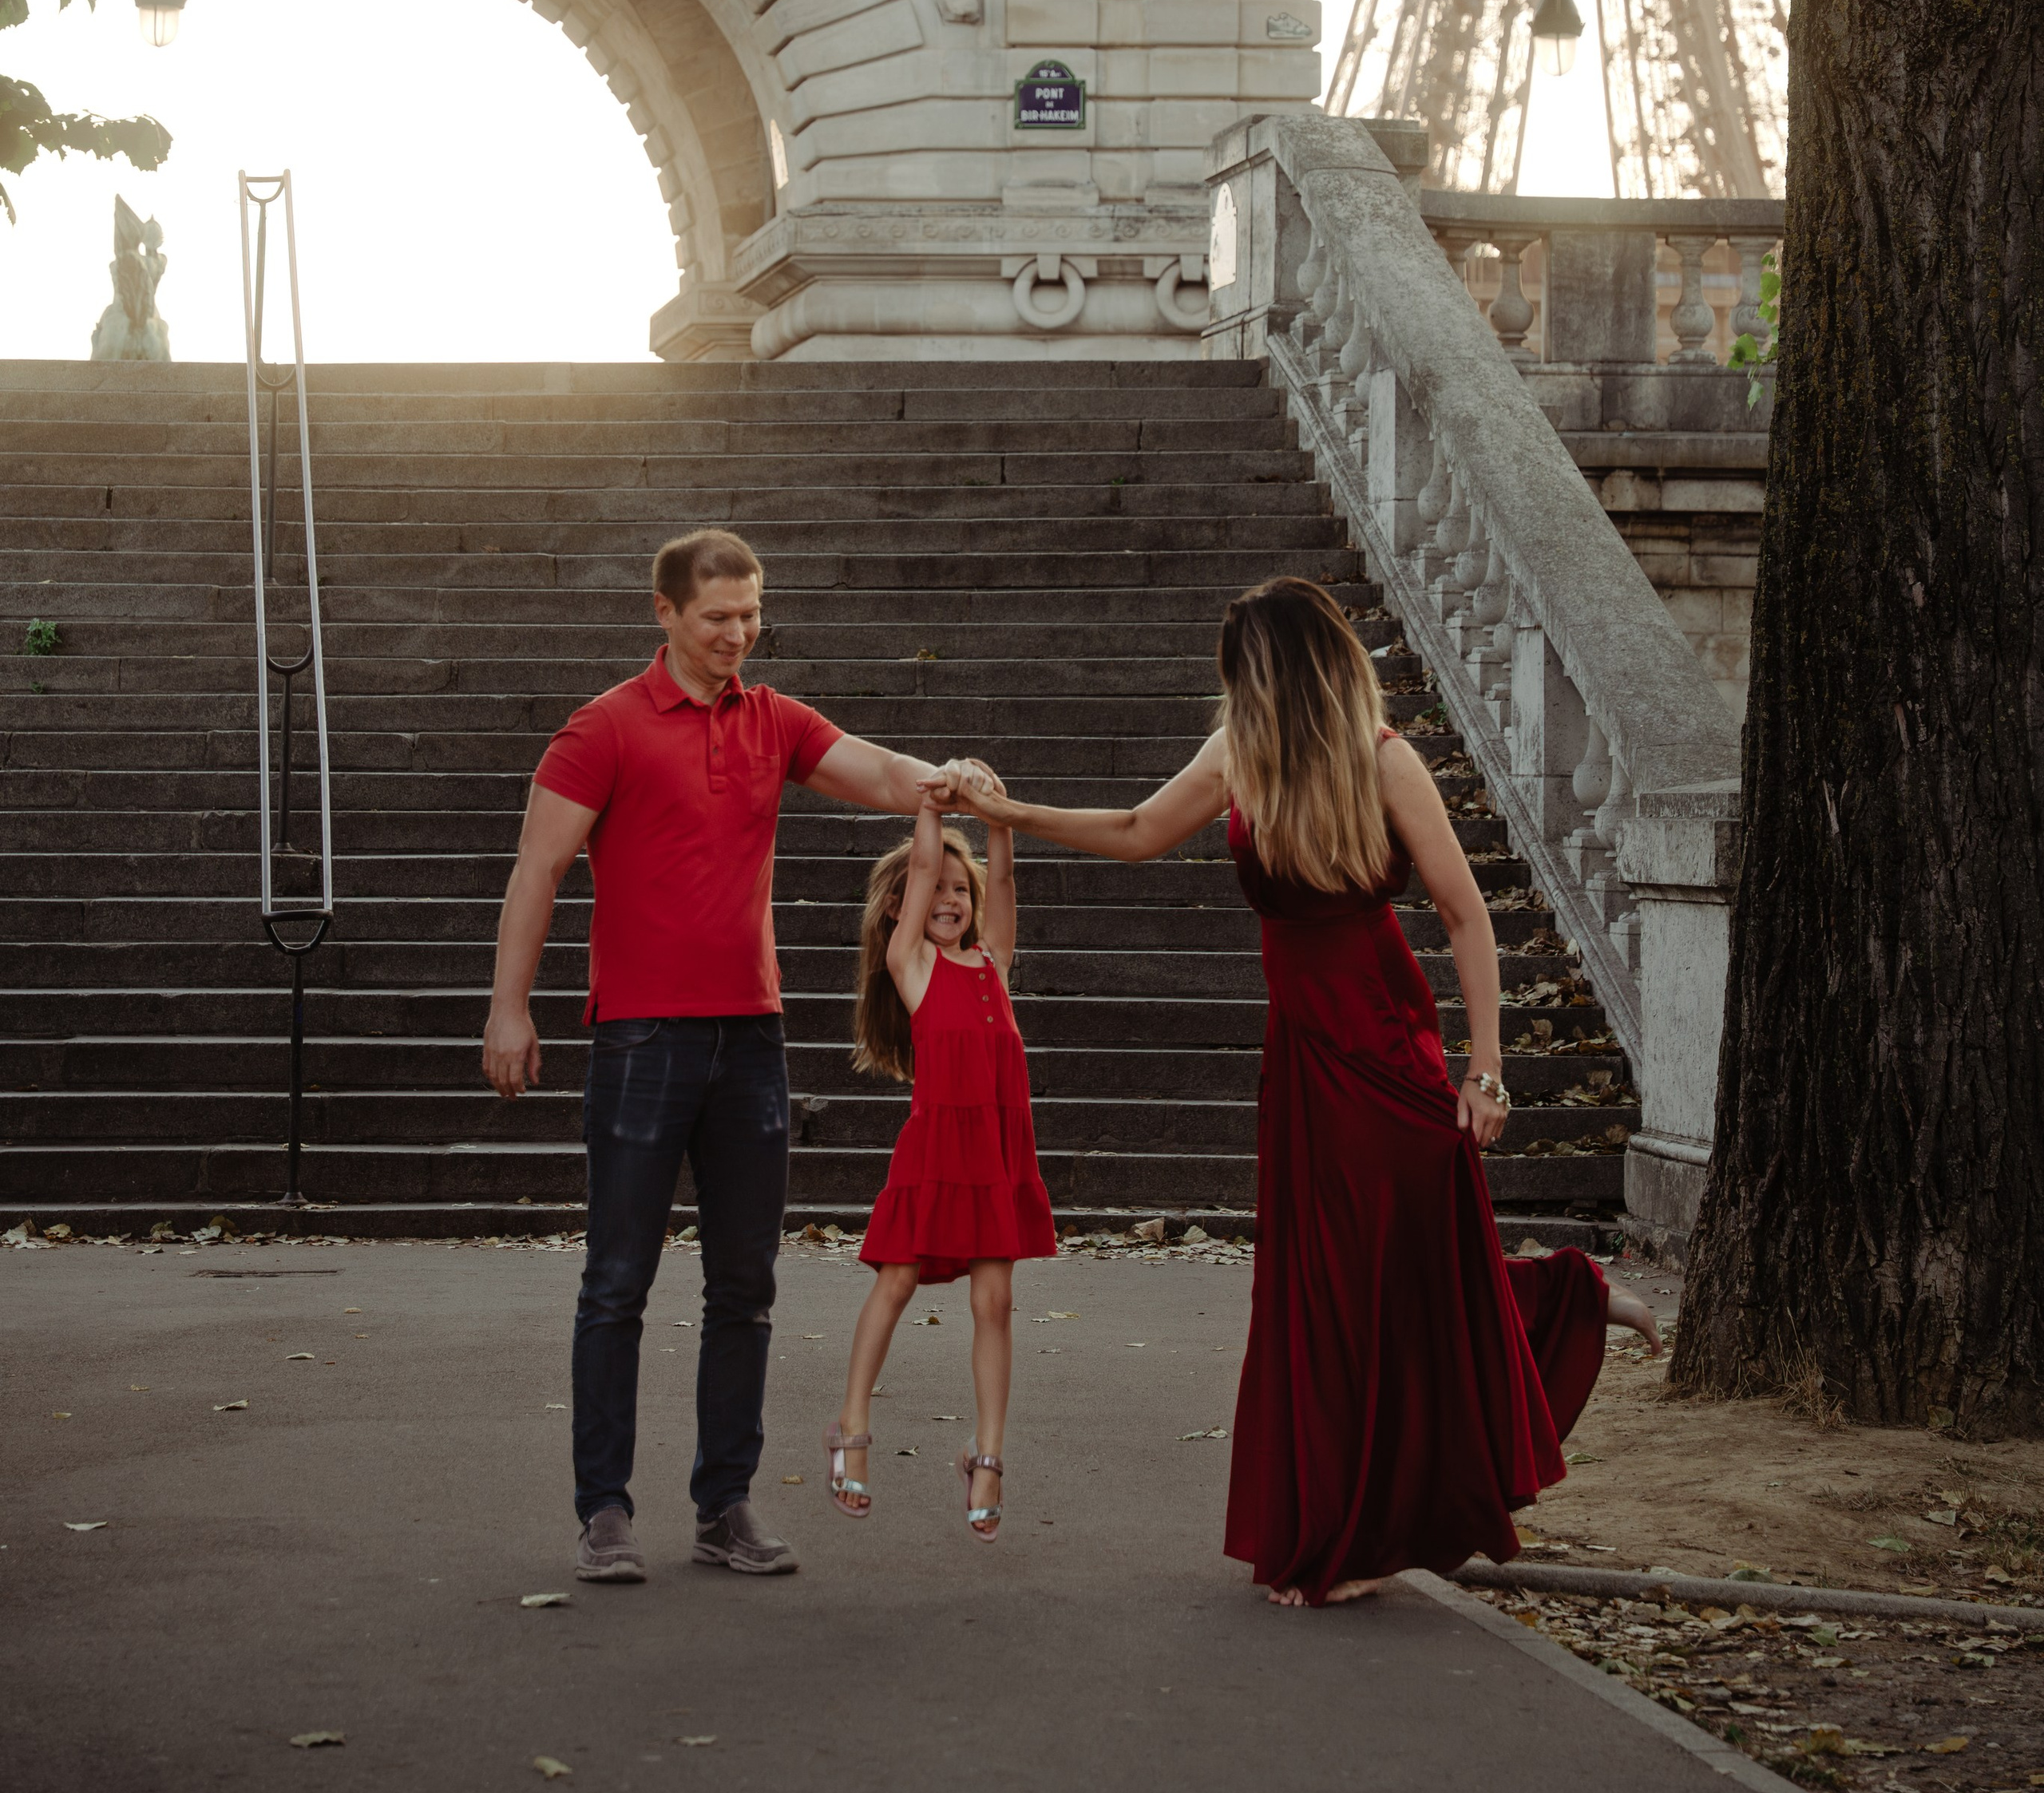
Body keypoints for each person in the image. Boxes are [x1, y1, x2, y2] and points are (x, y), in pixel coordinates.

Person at [942, 575, 1661, 1607]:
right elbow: (1140, 830)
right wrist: (1005, 810)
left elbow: (1464, 915)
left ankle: (1559, 1316)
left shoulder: (1386, 761)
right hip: (1305, 1054)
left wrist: (1487, 1068)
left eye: (1243, 671)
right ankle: (1348, 1520)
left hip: (1387, 1043)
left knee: (1397, 1266)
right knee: (1325, 1286)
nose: (1233, 689)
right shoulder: (1242, 753)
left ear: (1276, 670)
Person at [481, 528, 992, 1589]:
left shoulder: (774, 721)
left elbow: (877, 771)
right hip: (640, 1038)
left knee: (744, 1286)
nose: (738, 634)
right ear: (663, 614)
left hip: (749, 1039)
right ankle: (605, 1512)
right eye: (718, 616)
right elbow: (538, 868)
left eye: (752, 613)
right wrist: (509, 1009)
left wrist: (939, 779)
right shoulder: (603, 730)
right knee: (617, 1282)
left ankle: (725, 1505)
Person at [823, 790, 1055, 1539]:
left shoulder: (993, 960)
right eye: (936, 890)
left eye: (964, 889)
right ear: (903, 908)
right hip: (934, 1151)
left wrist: (994, 814)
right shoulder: (911, 965)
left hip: (993, 1154)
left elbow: (1007, 880)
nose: (951, 898)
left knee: (995, 1305)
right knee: (895, 1282)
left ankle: (985, 1454)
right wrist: (931, 801)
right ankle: (852, 1427)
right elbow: (923, 862)